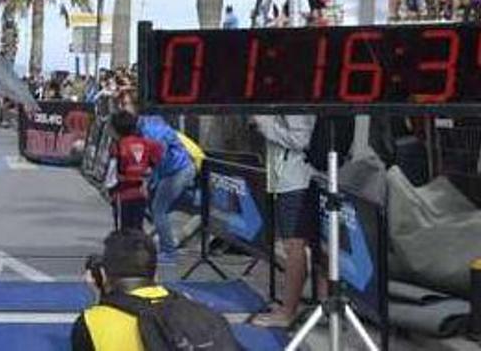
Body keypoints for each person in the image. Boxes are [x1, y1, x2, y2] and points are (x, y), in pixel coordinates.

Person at [71, 229, 239, 351]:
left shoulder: (90, 322)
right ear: (156, 274)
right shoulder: (200, 314)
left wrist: (99, 295)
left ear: (102, 274)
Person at [251, 114, 321, 327]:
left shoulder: (296, 98)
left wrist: (265, 123)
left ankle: (287, 312)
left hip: (296, 180)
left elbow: (302, 139)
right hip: (290, 178)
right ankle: (322, 305)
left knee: (295, 246)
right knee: (314, 246)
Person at [105, 111, 162, 231]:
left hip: (122, 194)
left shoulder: (118, 146)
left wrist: (109, 190)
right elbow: (156, 163)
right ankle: (138, 247)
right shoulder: (147, 143)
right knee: (137, 227)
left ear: (116, 130)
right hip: (141, 193)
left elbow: (111, 175)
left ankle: (126, 248)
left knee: (124, 228)